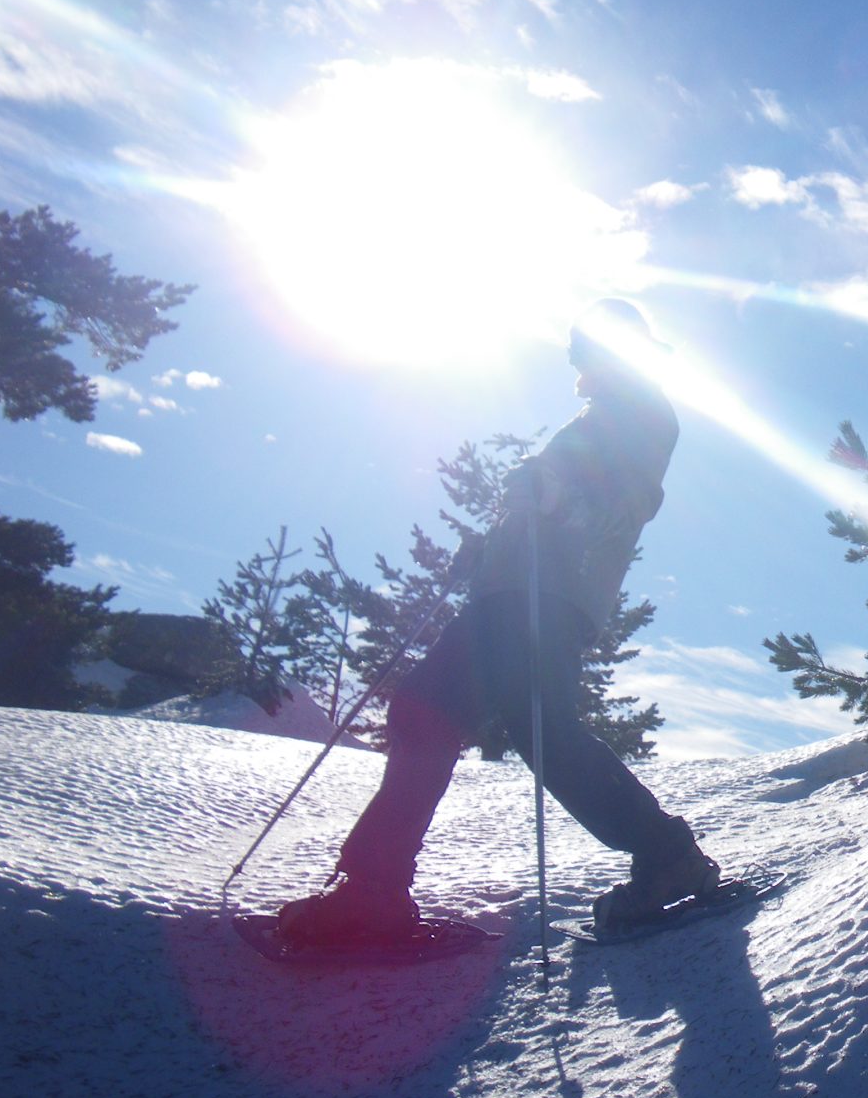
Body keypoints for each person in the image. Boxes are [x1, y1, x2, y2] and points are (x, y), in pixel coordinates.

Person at [276, 298, 720, 943]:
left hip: (550, 597)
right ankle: (373, 889)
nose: (576, 360)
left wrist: (556, 497)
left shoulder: (644, 413)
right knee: (436, 712)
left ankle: (667, 857)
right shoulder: (597, 416)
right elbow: (546, 502)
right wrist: (491, 544)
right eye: (574, 349)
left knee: (540, 731)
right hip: (511, 590)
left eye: (585, 347)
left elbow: (627, 503)